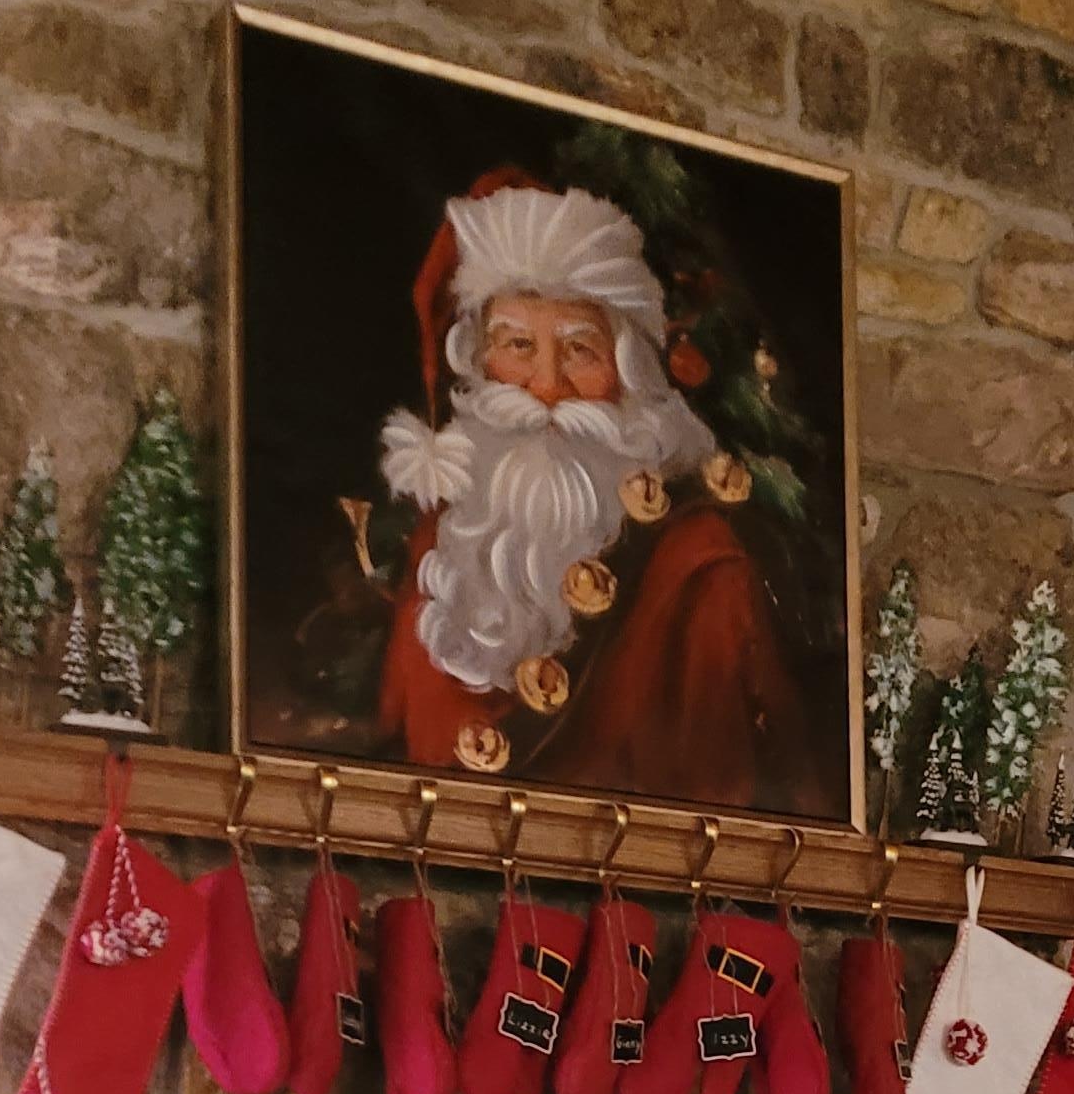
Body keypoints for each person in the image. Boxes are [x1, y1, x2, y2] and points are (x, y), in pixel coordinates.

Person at [358, 174, 841, 812]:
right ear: (479, 362)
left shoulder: (700, 565)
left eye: (580, 349)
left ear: (630, 375)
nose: (546, 385)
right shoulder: (437, 546)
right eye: (518, 345)